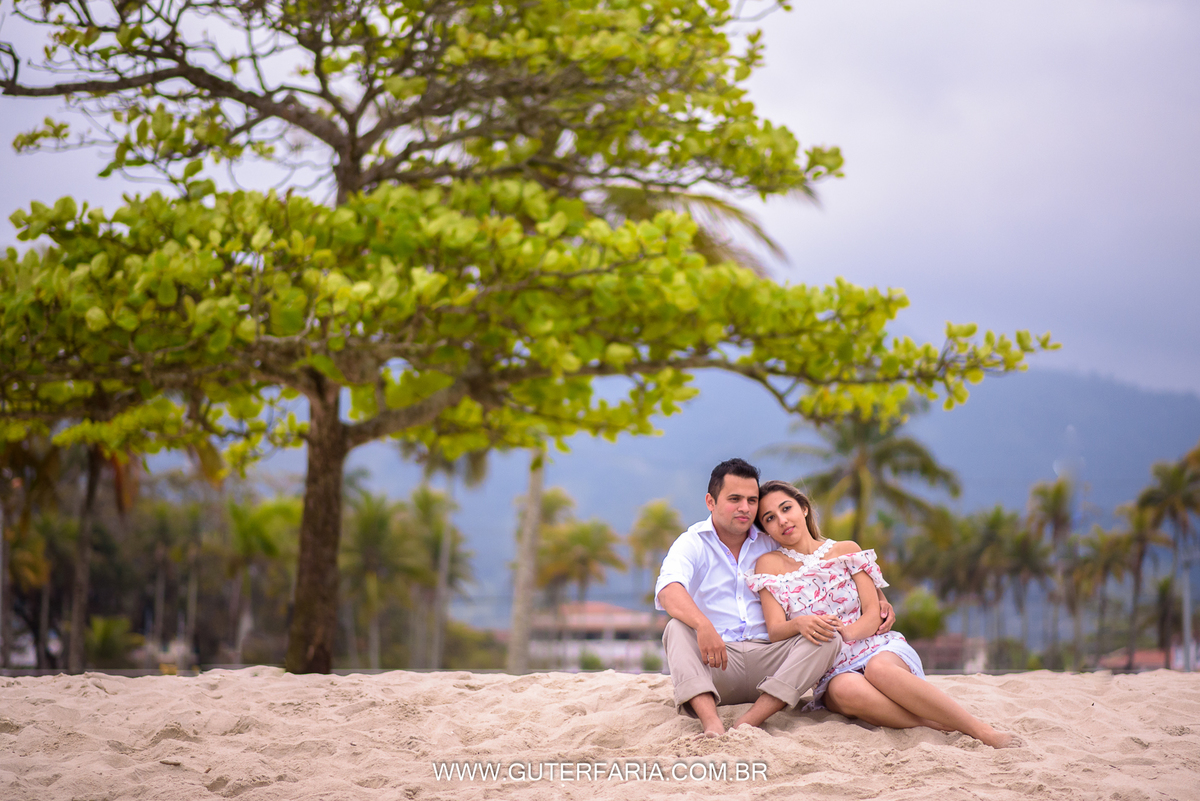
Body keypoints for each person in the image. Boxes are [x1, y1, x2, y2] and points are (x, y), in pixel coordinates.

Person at [747, 479, 1017, 748]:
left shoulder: (846, 550)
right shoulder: (768, 566)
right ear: (765, 530)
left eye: (786, 508)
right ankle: (931, 723)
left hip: (875, 646)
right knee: (844, 689)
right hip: (829, 669)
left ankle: (980, 730)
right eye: (770, 518)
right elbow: (775, 631)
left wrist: (846, 633)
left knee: (879, 669)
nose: (782, 520)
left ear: (803, 508)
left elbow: (874, 613)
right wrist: (801, 624)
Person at [654, 458, 895, 736]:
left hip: (774, 662)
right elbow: (669, 590)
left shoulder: (773, 538)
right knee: (676, 628)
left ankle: (750, 720)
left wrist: (879, 598)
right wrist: (702, 625)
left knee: (826, 635)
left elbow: (828, 562)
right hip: (717, 662)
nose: (745, 508)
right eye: (734, 499)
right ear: (711, 501)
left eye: (751, 500)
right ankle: (712, 724)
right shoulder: (692, 542)